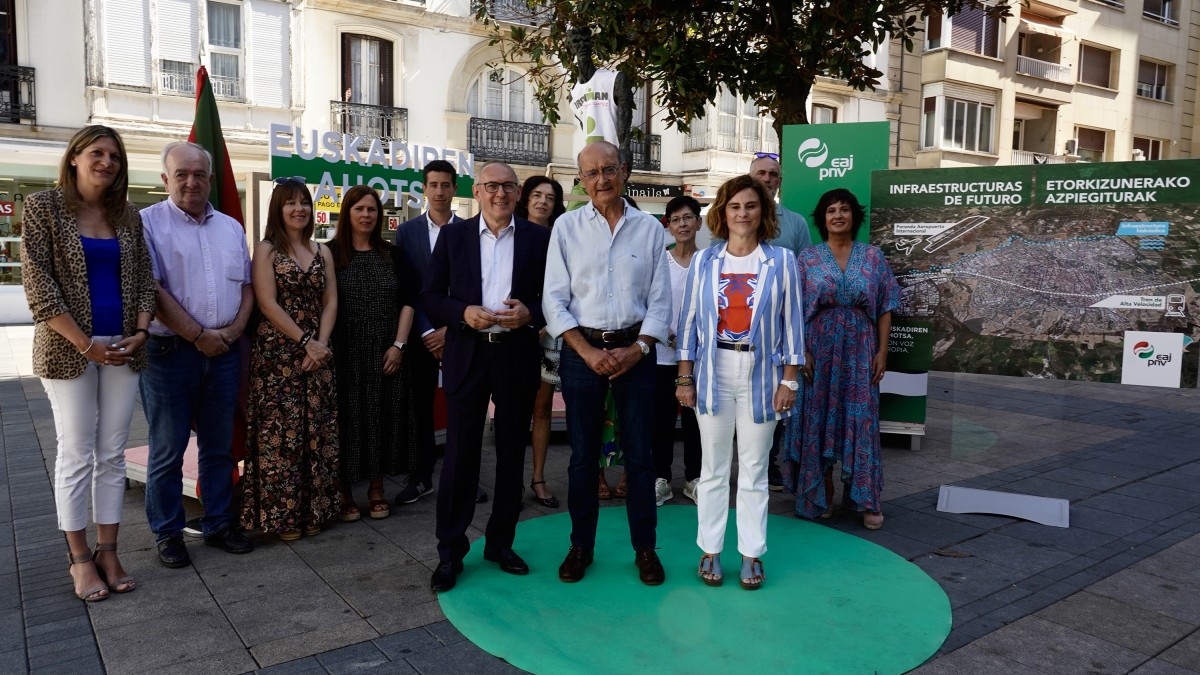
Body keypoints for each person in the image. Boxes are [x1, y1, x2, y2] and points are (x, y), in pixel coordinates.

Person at [22, 125, 156, 601]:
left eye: (114, 156)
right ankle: (79, 558)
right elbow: (38, 286)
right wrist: (85, 344)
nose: (107, 162)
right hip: (68, 350)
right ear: (75, 157)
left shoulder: (128, 216)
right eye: (96, 153)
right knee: (76, 451)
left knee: (113, 453)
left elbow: (144, 279)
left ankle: (110, 550)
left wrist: (140, 331)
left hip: (123, 346)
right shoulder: (44, 208)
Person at [543, 140, 671, 585]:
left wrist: (637, 349)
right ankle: (581, 547)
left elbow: (660, 302)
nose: (602, 180)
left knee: (641, 456)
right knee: (582, 458)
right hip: (583, 354)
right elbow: (554, 301)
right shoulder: (566, 228)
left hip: (637, 353)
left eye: (609, 170)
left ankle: (646, 550)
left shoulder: (651, 230)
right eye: (592, 173)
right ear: (581, 180)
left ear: (625, 171)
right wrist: (587, 350)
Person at [423, 162, 550, 592]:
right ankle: (450, 552)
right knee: (460, 456)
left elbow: (555, 297)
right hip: (468, 353)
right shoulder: (454, 236)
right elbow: (430, 296)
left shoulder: (538, 238)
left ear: (518, 193)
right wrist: (461, 312)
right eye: (492, 186)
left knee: (512, 452)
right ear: (476, 192)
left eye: (508, 187)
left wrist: (531, 313)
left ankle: (501, 543)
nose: (500, 194)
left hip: (515, 355)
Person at [676, 175, 803, 590]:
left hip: (764, 377)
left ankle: (751, 554)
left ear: (763, 212)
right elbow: (690, 323)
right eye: (735, 206)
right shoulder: (705, 262)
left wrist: (791, 382)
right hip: (713, 373)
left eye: (751, 206)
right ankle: (710, 549)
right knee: (712, 471)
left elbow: (792, 325)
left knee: (753, 470)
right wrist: (684, 376)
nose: (743, 213)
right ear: (722, 213)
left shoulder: (781, 261)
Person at [141, 141, 255, 568]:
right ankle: (168, 532)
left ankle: (219, 523)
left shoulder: (229, 226)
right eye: (182, 174)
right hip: (170, 352)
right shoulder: (147, 224)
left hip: (224, 352)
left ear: (211, 179)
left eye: (200, 174)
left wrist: (232, 331)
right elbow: (152, 290)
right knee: (167, 448)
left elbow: (245, 287)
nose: (192, 182)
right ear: (166, 179)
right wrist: (198, 335)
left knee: (219, 445)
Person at [782, 188, 900, 530]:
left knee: (860, 420)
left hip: (861, 352)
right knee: (815, 420)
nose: (838, 215)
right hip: (817, 352)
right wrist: (800, 350)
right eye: (831, 210)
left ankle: (867, 499)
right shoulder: (807, 259)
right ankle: (819, 491)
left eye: (844, 209)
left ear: (853, 216)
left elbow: (886, 306)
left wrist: (882, 351)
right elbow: (793, 311)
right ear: (822, 218)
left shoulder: (874, 257)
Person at [240, 179, 340, 540]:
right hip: (278, 355)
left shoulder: (322, 251)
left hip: (320, 353)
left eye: (304, 203)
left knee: (317, 433)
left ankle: (314, 511)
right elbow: (267, 304)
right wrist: (305, 341)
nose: (299, 209)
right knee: (279, 438)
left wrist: (322, 344)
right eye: (290, 203)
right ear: (278, 209)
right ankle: (282, 517)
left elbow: (330, 301)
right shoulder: (266, 250)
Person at [395, 161, 488, 506]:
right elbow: (411, 288)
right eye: (432, 184)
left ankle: (465, 478)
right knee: (420, 408)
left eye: (445, 185)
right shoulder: (407, 233)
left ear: (455, 189)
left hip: (461, 332)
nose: (439, 191)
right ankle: (421, 477)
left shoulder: (471, 230)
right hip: (422, 334)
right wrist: (428, 330)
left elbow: (473, 290)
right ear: (424, 188)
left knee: (464, 408)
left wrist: (451, 328)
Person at [328, 185, 415, 521]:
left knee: (382, 419)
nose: (366, 215)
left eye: (372, 210)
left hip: (386, 351)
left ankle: (377, 488)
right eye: (359, 209)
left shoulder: (393, 254)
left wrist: (399, 346)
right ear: (347, 213)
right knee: (347, 420)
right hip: (345, 352)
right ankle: (345, 491)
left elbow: (408, 301)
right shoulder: (329, 254)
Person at [749, 152, 814, 491]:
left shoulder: (797, 223)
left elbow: (806, 277)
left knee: (777, 397)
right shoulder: (736, 216)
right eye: (761, 172)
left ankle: (770, 463)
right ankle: (746, 462)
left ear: (780, 181)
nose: (768, 178)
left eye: (774, 174)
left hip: (780, 329)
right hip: (739, 328)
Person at [514, 175, 565, 508]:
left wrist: (549, 322)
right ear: (525, 199)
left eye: (550, 196)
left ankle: (538, 478)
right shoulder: (511, 233)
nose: (543, 201)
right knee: (513, 410)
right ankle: (511, 481)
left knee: (542, 408)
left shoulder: (563, 237)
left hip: (552, 333)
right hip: (515, 331)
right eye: (537, 195)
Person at [652, 196, 703, 506]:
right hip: (661, 353)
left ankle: (695, 478)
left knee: (697, 419)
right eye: (676, 219)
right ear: (669, 227)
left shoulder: (709, 260)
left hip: (698, 357)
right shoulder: (660, 261)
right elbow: (651, 304)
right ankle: (662, 479)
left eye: (688, 218)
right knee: (661, 419)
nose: (682, 224)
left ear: (698, 222)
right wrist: (668, 335)